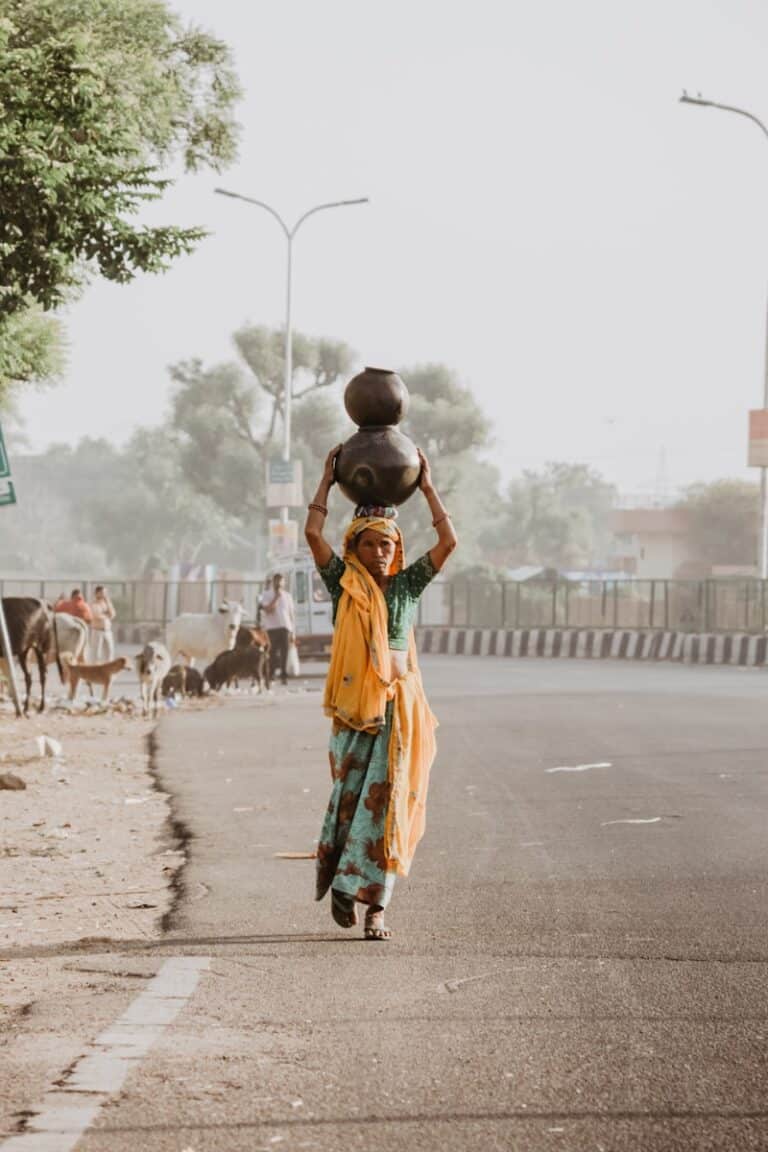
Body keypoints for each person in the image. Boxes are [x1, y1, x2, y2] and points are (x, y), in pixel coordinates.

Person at [304, 444, 457, 940]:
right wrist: (326, 482)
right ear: (354, 548)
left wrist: (428, 487)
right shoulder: (343, 583)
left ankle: (378, 909)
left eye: (387, 545)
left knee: (391, 804)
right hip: (354, 715)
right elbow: (311, 533)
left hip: (399, 713)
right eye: (369, 545)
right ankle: (345, 886)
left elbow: (449, 542)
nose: (379, 553)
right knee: (351, 801)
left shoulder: (408, 586)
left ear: (398, 550)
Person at [259, 573, 296, 686]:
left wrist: (293, 632)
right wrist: (276, 597)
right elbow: (268, 610)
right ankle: (271, 675)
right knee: (273, 653)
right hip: (272, 628)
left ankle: (284, 676)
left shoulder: (288, 596)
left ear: (284, 583)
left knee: (285, 653)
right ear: (273, 582)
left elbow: (291, 614)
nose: (279, 583)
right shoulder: (266, 594)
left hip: (285, 627)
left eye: (281, 581)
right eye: (277, 581)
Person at [89, 585, 116, 662]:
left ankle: (108, 671)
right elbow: (97, 615)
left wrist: (106, 611)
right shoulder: (93, 604)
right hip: (97, 631)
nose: (104, 594)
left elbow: (113, 614)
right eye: (102, 592)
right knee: (96, 654)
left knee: (109, 653)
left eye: (105, 593)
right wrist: (107, 615)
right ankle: (94, 672)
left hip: (107, 631)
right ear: (97, 593)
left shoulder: (107, 603)